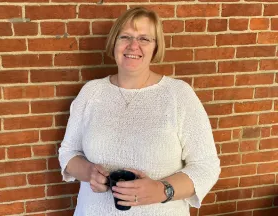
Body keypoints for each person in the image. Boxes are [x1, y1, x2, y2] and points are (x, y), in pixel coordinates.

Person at [58, 7, 221, 216]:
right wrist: (89, 172)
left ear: (155, 47)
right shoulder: (91, 92)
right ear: (114, 43)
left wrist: (163, 190)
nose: (133, 45)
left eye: (144, 39)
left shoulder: (179, 95)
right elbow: (68, 153)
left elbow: (206, 166)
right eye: (125, 36)